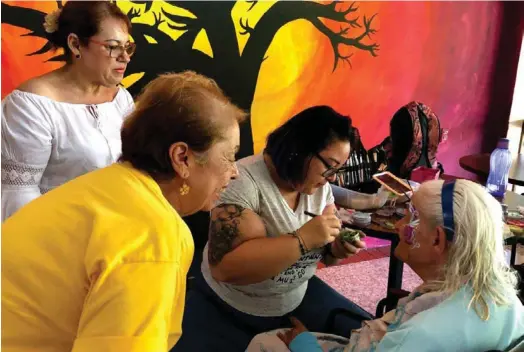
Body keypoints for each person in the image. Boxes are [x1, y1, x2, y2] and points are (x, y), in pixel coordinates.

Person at [1, 71, 246, 352]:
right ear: (182, 158)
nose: (234, 172)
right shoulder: (152, 235)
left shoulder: (111, 184)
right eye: (229, 156)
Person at [173, 106, 373, 352]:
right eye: (329, 167)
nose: (332, 178)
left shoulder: (318, 186)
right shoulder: (244, 183)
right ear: (300, 150)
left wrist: (337, 248)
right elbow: (225, 268)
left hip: (294, 298)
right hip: (231, 306)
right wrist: (303, 239)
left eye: (337, 170)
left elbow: (325, 253)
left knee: (363, 333)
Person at [247, 179, 524, 352]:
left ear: (437, 239)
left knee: (266, 342)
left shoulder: (418, 337)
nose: (400, 224)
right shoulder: (507, 300)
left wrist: (304, 344)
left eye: (410, 217)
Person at [1, 1, 136, 222]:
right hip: (56, 236)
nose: (125, 57)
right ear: (75, 45)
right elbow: (19, 195)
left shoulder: (121, 98)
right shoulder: (32, 105)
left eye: (127, 47)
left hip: (113, 232)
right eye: (113, 47)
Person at [387, 101, 444, 179]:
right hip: (430, 174)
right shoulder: (432, 116)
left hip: (404, 177)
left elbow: (396, 149)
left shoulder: (401, 117)